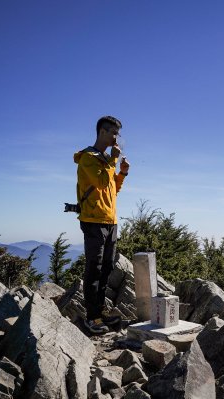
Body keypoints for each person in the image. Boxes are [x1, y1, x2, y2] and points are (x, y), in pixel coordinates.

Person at [74, 115, 130, 334]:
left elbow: (112, 189)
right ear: (103, 132)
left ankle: (99, 311)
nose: (117, 138)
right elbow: (100, 182)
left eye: (118, 133)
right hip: (93, 221)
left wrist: (123, 173)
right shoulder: (88, 158)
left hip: (110, 220)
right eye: (114, 133)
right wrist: (114, 161)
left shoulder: (105, 160)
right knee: (94, 269)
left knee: (106, 268)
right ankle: (92, 318)